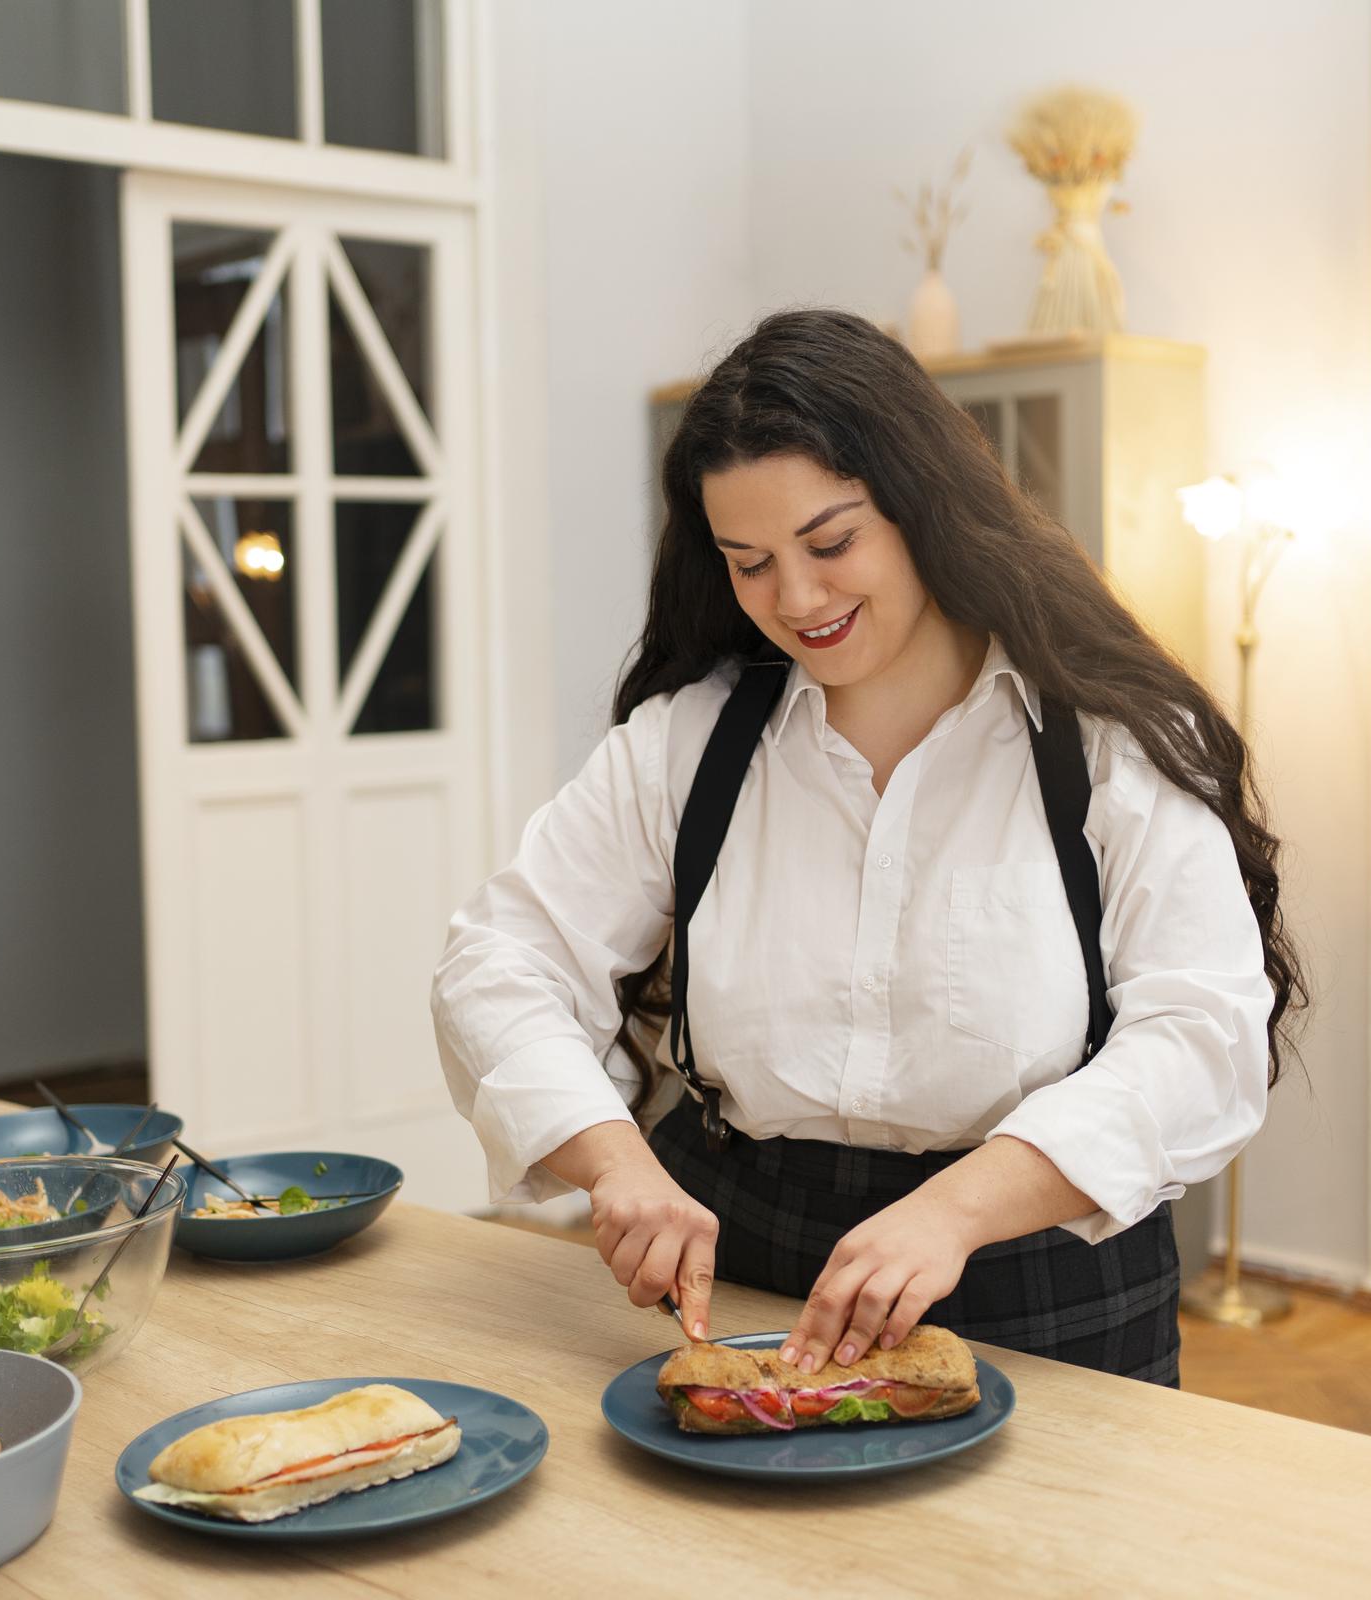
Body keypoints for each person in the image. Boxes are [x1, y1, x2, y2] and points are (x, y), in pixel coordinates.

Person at [432, 308, 1302, 1386]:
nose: (796, 600)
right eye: (748, 562)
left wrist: (957, 1209)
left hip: (1038, 1271)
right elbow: (497, 962)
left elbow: (1202, 1033)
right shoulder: (686, 745)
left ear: (923, 507)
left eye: (831, 542)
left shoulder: (1111, 748)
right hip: (745, 1260)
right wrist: (614, 1160)